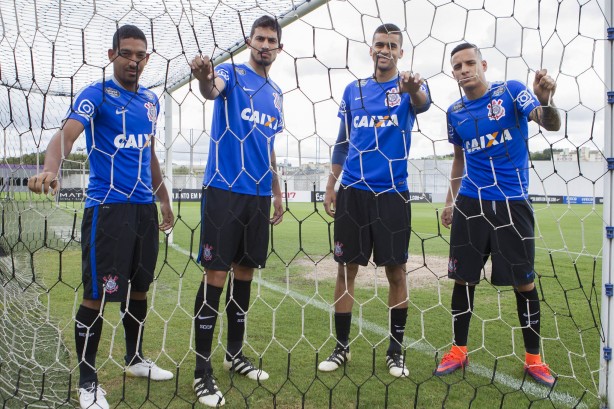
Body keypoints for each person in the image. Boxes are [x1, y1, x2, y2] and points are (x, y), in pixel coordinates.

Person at [27, 25, 175, 409]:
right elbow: (66, 135)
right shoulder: (97, 94)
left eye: (141, 54)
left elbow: (150, 155)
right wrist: (51, 169)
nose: (134, 60)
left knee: (139, 288)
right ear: (112, 56)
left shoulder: (150, 101)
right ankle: (88, 382)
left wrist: (164, 199)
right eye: (127, 53)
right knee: (97, 294)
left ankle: (135, 358)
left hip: (144, 209)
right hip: (108, 209)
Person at [435, 43, 561, 388]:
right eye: (457, 65)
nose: (464, 69)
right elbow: (459, 159)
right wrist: (450, 201)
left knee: (524, 281)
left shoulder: (512, 92)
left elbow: (549, 123)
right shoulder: (454, 111)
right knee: (464, 279)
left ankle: (534, 359)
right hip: (471, 205)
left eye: (470, 63)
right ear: (453, 72)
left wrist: (546, 101)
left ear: (483, 64)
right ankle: (458, 350)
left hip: (512, 203)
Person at [318, 23, 430, 378]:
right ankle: (341, 348)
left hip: (392, 192)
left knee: (396, 270)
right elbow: (342, 141)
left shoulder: (410, 85)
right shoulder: (355, 90)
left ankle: (396, 352)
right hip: (353, 191)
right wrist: (331, 183)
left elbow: (422, 103)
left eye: (392, 45)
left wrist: (413, 90)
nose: (385, 50)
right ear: (371, 49)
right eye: (380, 44)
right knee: (345, 269)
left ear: (401, 52)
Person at [188, 15, 284, 407]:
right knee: (216, 273)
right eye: (259, 38)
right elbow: (212, 89)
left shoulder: (276, 92)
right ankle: (201, 371)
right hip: (225, 189)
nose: (265, 45)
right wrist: (202, 76)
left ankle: (234, 354)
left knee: (245, 272)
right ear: (250, 41)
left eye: (271, 40)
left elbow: (269, 144)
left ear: (279, 47)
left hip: (259, 194)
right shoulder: (231, 73)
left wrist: (277, 190)